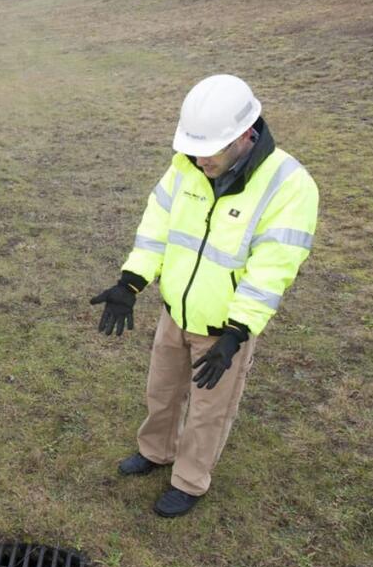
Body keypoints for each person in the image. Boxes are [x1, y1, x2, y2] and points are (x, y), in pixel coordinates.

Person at [90, 74, 319, 518]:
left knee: (208, 411)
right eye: (192, 148)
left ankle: (190, 479)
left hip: (223, 331)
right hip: (175, 314)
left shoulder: (289, 185)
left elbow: (272, 269)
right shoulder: (186, 166)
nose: (198, 158)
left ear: (244, 135)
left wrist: (237, 333)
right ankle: (156, 450)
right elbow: (157, 229)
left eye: (208, 148)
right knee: (161, 392)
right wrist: (130, 283)